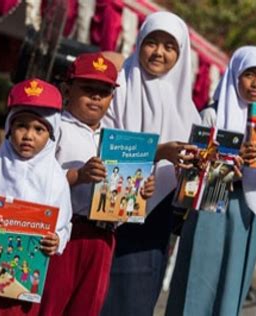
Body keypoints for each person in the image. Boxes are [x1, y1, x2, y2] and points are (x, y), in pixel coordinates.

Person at [166, 46, 256, 316]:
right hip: (210, 206)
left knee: (232, 285)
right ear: (235, 74)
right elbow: (193, 177)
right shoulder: (212, 115)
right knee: (198, 280)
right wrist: (232, 163)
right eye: (249, 74)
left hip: (249, 211)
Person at [37, 53, 155, 316]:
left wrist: (139, 192)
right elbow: (34, 181)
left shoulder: (115, 139)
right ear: (67, 89)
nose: (96, 97)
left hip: (103, 237)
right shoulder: (52, 129)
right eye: (88, 89)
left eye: (104, 91)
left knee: (87, 309)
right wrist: (78, 176)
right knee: (49, 306)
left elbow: (123, 200)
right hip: (62, 233)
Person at [100, 11, 202, 315]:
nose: (159, 52)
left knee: (135, 301)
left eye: (169, 47)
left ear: (180, 54)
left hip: (154, 222)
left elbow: (193, 177)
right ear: (139, 41)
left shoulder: (188, 109)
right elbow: (103, 145)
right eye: (152, 42)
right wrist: (157, 153)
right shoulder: (114, 89)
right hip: (106, 214)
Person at [0, 78, 73, 316]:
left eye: (39, 129)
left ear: (50, 134)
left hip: (26, 276)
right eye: (21, 126)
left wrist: (56, 241)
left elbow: (64, 227)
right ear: (10, 128)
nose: (28, 135)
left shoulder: (56, 178)